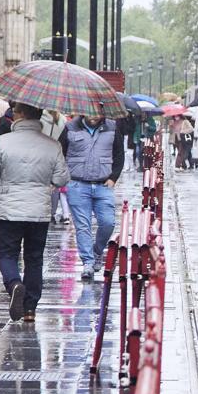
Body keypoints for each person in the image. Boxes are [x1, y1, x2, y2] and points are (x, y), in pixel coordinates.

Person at [0, 103, 71, 324]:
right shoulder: (52, 145)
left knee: (7, 254)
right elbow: (62, 178)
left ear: (20, 115)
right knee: (34, 258)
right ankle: (30, 309)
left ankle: (14, 284)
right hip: (39, 211)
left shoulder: (3, 143)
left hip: (10, 210)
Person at [60, 114, 124, 280]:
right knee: (83, 226)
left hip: (103, 185)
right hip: (77, 184)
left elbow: (119, 155)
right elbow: (60, 153)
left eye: (97, 112)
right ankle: (87, 263)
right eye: (90, 112)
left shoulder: (112, 127)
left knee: (108, 222)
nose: (93, 116)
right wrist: (65, 178)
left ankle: (96, 251)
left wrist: (113, 178)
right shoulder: (70, 127)